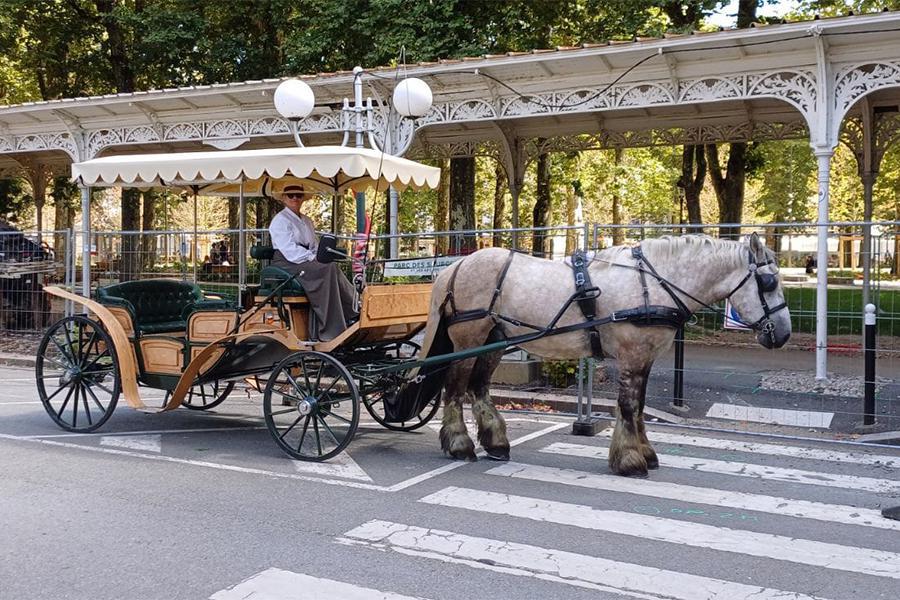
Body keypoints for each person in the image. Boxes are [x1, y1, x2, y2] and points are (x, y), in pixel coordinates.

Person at [268, 184, 357, 341]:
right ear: (283, 198)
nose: (295, 198)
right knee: (327, 268)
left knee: (331, 266)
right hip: (287, 261)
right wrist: (313, 258)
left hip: (305, 258)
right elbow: (289, 249)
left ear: (303, 198)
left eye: (299, 195)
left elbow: (314, 245)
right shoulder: (279, 221)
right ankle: (333, 327)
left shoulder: (307, 220)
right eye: (291, 195)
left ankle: (352, 310)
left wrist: (318, 255)